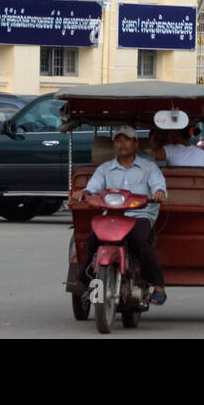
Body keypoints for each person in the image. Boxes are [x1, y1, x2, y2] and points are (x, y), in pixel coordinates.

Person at [70, 126, 169, 305]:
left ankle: (158, 286)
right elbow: (93, 186)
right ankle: (87, 282)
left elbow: (158, 185)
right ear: (114, 144)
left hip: (139, 215)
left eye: (127, 140)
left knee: (141, 241)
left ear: (136, 143)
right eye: (118, 140)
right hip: (112, 216)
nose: (122, 144)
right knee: (92, 240)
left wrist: (159, 193)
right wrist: (83, 192)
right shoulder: (105, 169)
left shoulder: (149, 167)